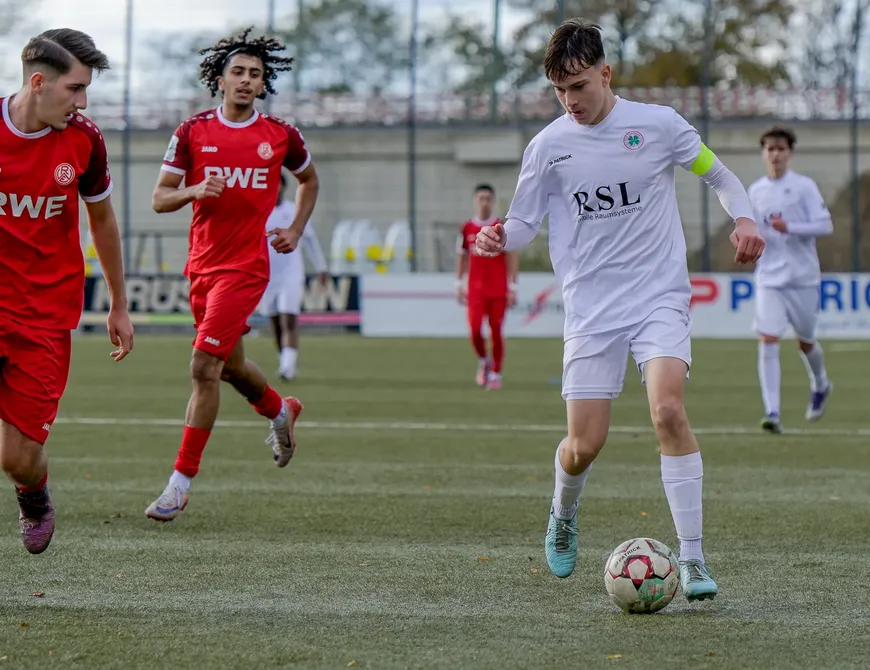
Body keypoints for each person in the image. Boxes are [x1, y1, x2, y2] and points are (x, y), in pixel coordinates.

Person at [475, 19, 765, 600]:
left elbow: (721, 175)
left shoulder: (657, 126)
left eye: (579, 86)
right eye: (559, 90)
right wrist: (497, 236)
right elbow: (525, 222)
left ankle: (693, 561)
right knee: (583, 446)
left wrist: (745, 217)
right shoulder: (548, 146)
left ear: (606, 73)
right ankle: (563, 512)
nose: (570, 101)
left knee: (668, 412)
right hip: (590, 310)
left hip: (658, 296)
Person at [146, 28, 319, 521]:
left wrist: (296, 227)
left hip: (246, 268)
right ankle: (279, 411)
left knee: (204, 367)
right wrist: (195, 189)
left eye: (255, 75)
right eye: (238, 72)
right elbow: (159, 198)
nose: (246, 81)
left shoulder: (279, 135)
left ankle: (179, 483)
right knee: (233, 367)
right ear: (220, 80)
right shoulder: (192, 132)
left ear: (263, 84)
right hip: (201, 265)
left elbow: (309, 179)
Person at [0, 29, 134, 553]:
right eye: (75, 89)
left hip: (44, 314)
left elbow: (102, 220)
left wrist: (119, 304)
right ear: (39, 82)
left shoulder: (85, 139)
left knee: (17, 456)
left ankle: (33, 493)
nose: (82, 103)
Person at [748, 126, 833, 434]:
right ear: (763, 153)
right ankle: (772, 412)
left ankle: (821, 383)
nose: (775, 154)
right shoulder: (755, 190)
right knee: (768, 338)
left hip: (803, 276)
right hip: (770, 277)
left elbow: (825, 225)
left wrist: (791, 227)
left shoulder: (804, 186)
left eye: (781, 149)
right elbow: (751, 227)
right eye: (770, 149)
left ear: (790, 153)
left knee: (805, 341)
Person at [259, 173, 329, 381]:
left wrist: (321, 267)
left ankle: (287, 367)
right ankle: (285, 361)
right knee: (274, 322)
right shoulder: (259, 211)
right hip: (266, 275)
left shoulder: (293, 210)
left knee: (288, 318)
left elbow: (310, 240)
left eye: (279, 185)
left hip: (291, 274)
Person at [455, 184, 518, 390]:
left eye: (488, 198)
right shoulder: (467, 228)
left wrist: (513, 287)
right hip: (475, 290)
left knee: (496, 331)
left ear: (493, 201)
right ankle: (484, 360)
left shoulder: (500, 227)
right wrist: (458, 284)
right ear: (475, 200)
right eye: (481, 198)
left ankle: (496, 374)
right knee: (474, 330)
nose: (484, 202)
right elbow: (462, 257)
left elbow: (511, 257)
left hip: (498, 289)